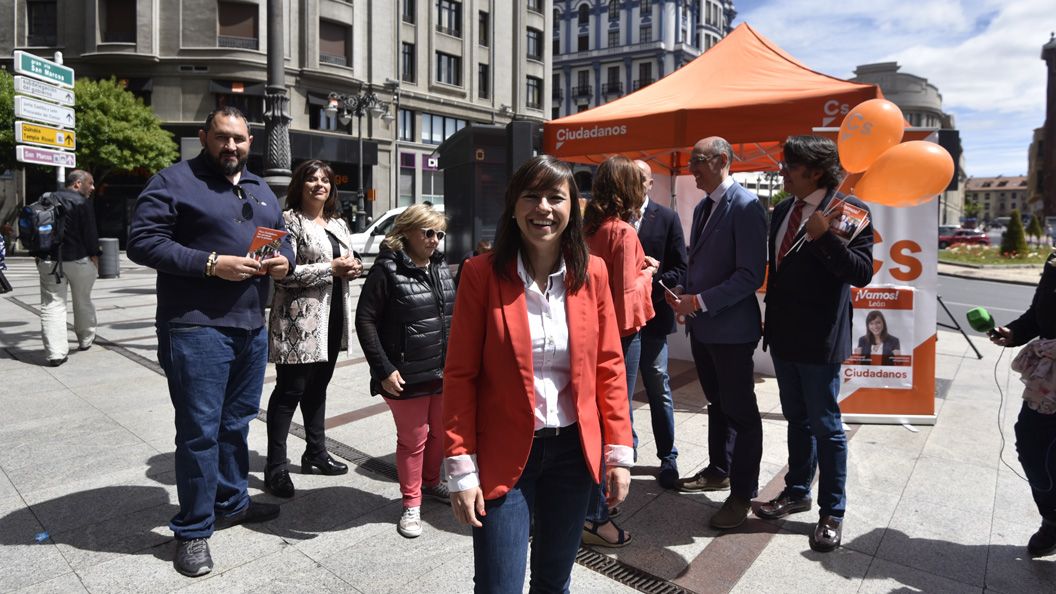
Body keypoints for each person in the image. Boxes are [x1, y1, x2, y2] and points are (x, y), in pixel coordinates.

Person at [443, 155, 633, 592]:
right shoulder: (480, 275)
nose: (543, 208)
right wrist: (461, 468)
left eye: (555, 197)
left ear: (573, 208)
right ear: (513, 207)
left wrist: (618, 450)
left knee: (554, 580)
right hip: (504, 452)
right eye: (531, 196)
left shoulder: (594, 274)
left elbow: (609, 366)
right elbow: (460, 376)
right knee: (499, 585)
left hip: (571, 453)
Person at [127, 107, 293, 577]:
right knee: (200, 430)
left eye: (240, 139)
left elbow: (282, 241)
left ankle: (233, 500)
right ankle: (194, 530)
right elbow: (142, 241)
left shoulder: (261, 188)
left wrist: (283, 260)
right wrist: (209, 263)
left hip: (250, 325)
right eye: (222, 138)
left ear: (250, 141)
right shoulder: (173, 181)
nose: (232, 147)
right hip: (196, 326)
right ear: (204, 137)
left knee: (236, 422)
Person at [758, 135, 874, 553]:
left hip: (821, 340)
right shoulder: (783, 210)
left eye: (791, 166)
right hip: (785, 336)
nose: (783, 172)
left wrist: (825, 238)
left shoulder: (849, 211)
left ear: (816, 171)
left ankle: (832, 512)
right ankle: (796, 491)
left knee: (827, 426)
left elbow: (861, 273)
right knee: (797, 420)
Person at [666, 137, 768, 531]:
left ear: (723, 161)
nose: (691, 171)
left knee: (741, 413)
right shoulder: (707, 205)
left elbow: (749, 276)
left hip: (730, 331)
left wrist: (700, 301)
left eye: (698, 162)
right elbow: (701, 262)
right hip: (705, 328)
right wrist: (685, 299)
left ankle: (742, 493)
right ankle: (718, 468)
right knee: (716, 405)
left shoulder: (744, 206)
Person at [355, 203, 456, 539]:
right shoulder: (386, 269)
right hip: (404, 374)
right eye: (428, 232)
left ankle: (430, 483)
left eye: (439, 234)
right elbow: (365, 320)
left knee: (439, 434)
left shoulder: (440, 266)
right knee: (414, 440)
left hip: (441, 372)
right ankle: (411, 503)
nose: (434, 240)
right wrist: (383, 368)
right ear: (407, 231)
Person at [265, 160, 363, 498]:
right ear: (299, 184)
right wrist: (330, 268)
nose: (318, 184)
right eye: (311, 178)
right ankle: (276, 466)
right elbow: (281, 273)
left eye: (325, 180)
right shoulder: (287, 221)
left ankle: (316, 452)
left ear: (332, 189)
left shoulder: (337, 222)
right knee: (289, 391)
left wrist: (353, 267)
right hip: (297, 321)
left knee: (318, 387)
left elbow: (346, 261)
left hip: (331, 317)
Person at [581, 155, 657, 547]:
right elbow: (626, 307)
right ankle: (599, 515)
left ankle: (589, 508)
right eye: (640, 182)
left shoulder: (588, 227)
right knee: (615, 420)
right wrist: (647, 273)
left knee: (592, 420)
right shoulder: (622, 232)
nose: (647, 188)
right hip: (618, 339)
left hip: (589, 334)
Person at [990, 253, 1056, 557]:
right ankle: (1053, 519)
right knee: (1031, 448)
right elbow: (1039, 314)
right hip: (1048, 379)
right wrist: (1014, 332)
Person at [634, 159, 688, 490]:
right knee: (619, 390)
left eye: (641, 178)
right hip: (619, 321)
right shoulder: (614, 220)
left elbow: (679, 267)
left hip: (653, 316)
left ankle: (668, 455)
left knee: (657, 384)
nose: (635, 182)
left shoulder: (666, 217)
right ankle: (627, 449)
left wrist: (646, 286)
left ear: (651, 184)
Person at [35, 170, 100, 366]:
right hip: (78, 260)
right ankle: (86, 339)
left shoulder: (46, 199)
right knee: (82, 300)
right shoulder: (82, 203)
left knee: (52, 305)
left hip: (48, 260)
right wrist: (95, 256)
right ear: (78, 184)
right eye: (90, 183)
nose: (93, 187)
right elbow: (90, 234)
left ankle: (56, 353)